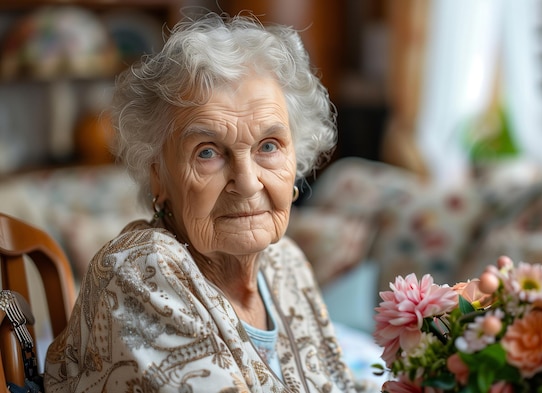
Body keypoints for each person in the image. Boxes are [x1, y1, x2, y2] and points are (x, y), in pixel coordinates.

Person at [44, 11, 361, 392]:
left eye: (269, 146)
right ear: (158, 174)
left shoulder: (286, 264)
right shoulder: (140, 273)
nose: (246, 183)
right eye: (208, 152)